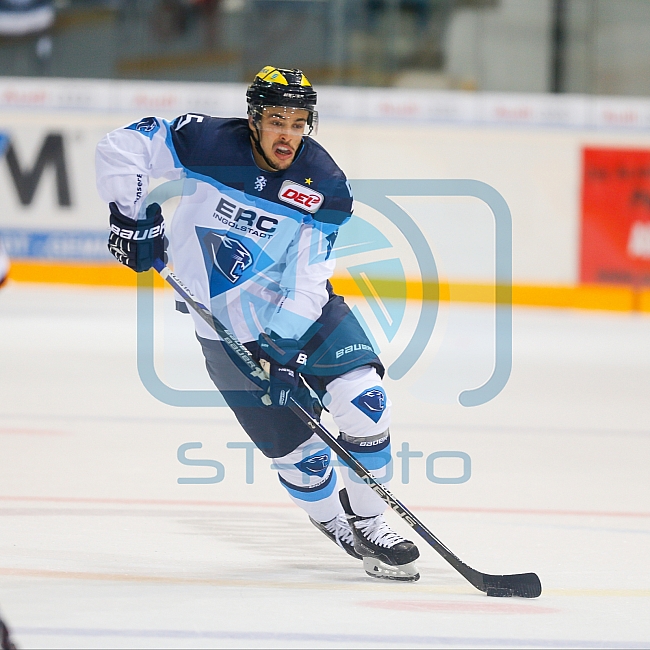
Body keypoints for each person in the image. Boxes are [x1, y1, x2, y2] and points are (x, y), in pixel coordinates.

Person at [95, 66, 420, 581]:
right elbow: (122, 146)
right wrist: (128, 219)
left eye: (298, 123)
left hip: (300, 309)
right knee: (301, 454)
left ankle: (372, 518)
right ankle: (335, 522)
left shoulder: (327, 184)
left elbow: (310, 278)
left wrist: (281, 344)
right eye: (276, 121)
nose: (287, 134)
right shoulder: (206, 141)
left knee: (364, 401)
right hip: (223, 325)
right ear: (253, 120)